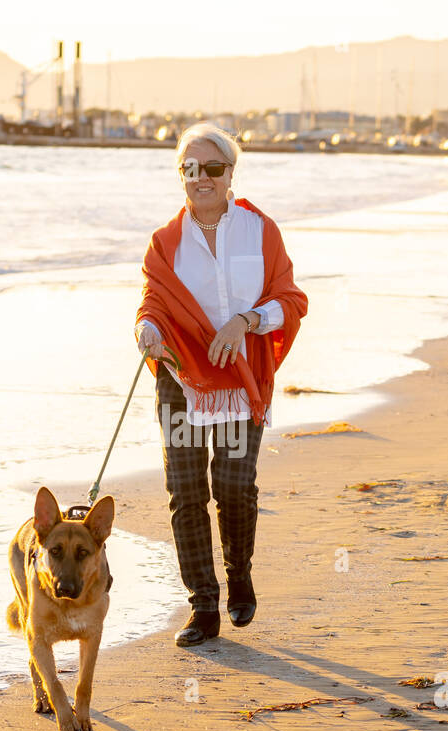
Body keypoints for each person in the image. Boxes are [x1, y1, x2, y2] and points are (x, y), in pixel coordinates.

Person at [134, 123, 307, 647]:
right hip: (181, 378)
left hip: (238, 378)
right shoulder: (165, 242)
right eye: (191, 169)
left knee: (234, 485)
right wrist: (145, 330)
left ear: (231, 173)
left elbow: (291, 300)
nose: (202, 178)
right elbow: (153, 304)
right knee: (186, 492)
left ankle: (239, 577)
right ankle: (202, 605)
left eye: (213, 168)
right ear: (180, 176)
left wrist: (245, 322)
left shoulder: (260, 230)